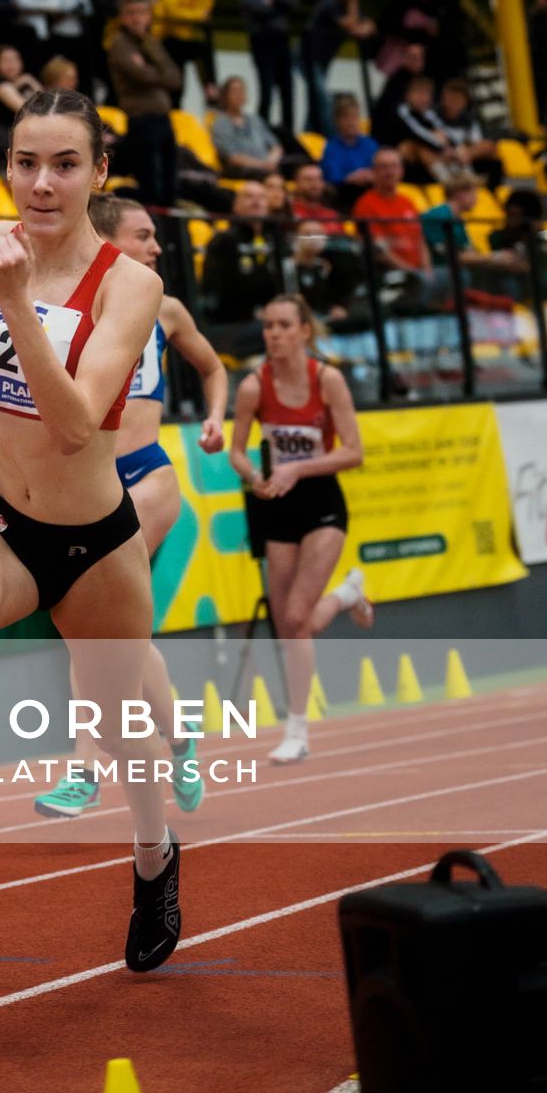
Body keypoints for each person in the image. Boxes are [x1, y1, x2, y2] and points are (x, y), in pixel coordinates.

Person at [0, 90, 183, 971]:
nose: (41, 184)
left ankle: (153, 853)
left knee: (122, 729)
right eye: (25, 163)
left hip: (95, 542)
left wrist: (16, 301)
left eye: (63, 165)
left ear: (99, 174)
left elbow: (79, 422)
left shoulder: (131, 287)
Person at [35, 193, 227, 820]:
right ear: (110, 239)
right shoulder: (70, 299)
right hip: (86, 482)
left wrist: (216, 418)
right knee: (111, 631)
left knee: (89, 625)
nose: (157, 246)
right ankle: (179, 739)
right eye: (145, 236)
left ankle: (86, 771)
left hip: (146, 474)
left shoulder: (164, 307)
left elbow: (212, 365)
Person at [229, 294, 372, 765]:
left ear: (305, 331)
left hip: (322, 505)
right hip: (278, 508)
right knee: (289, 622)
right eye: (268, 325)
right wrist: (256, 477)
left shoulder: (326, 380)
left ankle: (298, 730)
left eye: (284, 325)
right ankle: (347, 595)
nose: (274, 333)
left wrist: (299, 468)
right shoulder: (253, 386)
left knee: (294, 617)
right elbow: (237, 452)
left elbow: (353, 451)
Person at [107, 0, 181, 212]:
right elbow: (142, 76)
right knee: (151, 187)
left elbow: (176, 78)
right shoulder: (119, 44)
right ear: (121, 17)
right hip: (141, 120)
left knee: (170, 187)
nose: (137, 19)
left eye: (141, 13)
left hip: (163, 118)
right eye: (131, 13)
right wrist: (158, 72)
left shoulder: (151, 42)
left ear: (149, 16)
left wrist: (151, 67)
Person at [200, 181, 281, 356]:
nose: (256, 201)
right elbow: (214, 292)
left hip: (268, 319)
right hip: (233, 324)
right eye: (249, 197)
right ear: (235, 205)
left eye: (261, 197)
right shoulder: (224, 240)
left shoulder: (275, 239)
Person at [237, 0, 299, 133]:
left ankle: (288, 132)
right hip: (261, 39)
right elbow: (255, 6)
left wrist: (270, 2)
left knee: (288, 90)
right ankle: (262, 132)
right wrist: (276, 2)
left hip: (281, 38)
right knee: (267, 88)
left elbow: (292, 2)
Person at [303, 0, 375, 137]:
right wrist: (353, 1)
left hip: (323, 60)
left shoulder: (346, 7)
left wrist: (362, 25)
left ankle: (308, 133)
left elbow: (368, 26)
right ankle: (334, 138)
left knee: (316, 100)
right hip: (308, 57)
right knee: (324, 99)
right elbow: (352, 26)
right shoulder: (329, 4)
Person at [352, 149, 432, 277]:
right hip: (391, 274)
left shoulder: (407, 202)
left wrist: (427, 269)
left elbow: (420, 240)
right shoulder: (365, 204)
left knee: (458, 277)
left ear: (402, 171)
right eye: (384, 167)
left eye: (394, 166)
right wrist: (412, 273)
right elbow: (378, 251)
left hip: (419, 272)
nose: (390, 172)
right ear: (374, 171)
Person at [153, 0, 216, 105]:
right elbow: (171, 11)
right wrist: (196, 15)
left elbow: (207, 9)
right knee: (177, 81)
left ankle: (211, 86)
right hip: (168, 36)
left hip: (188, 36)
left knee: (206, 47)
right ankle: (176, 107)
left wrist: (189, 16)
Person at [209, 76, 282, 178]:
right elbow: (232, 158)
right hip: (243, 170)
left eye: (242, 91)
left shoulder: (255, 120)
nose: (239, 95)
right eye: (235, 91)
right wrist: (262, 165)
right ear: (225, 96)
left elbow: (276, 147)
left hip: (267, 166)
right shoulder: (221, 123)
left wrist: (271, 161)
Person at [322, 95, 378, 205]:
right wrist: (352, 177)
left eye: (355, 117)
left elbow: (381, 170)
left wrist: (371, 175)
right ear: (336, 121)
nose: (351, 122)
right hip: (344, 196)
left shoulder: (370, 144)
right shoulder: (331, 147)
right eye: (346, 117)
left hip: (371, 192)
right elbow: (334, 178)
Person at [0, 46, 40, 130]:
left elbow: (47, 103)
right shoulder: (0, 85)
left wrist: (32, 82)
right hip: (1, 136)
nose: (11, 64)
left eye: (15, 59)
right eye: (6, 60)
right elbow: (28, 111)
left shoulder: (23, 83)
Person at [290, 161, 347, 234]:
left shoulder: (332, 215)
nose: (315, 184)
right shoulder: (288, 213)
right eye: (308, 179)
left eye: (319, 179)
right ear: (296, 183)